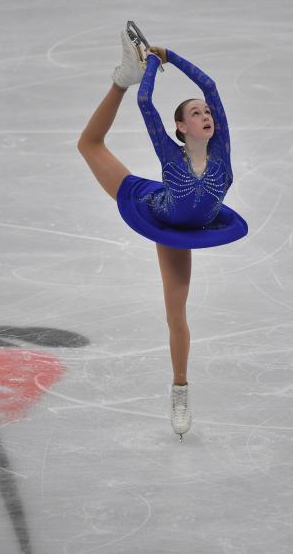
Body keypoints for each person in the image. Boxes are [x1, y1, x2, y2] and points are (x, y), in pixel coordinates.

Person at [77, 26, 248, 440]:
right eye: (195, 114)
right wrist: (148, 66)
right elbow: (145, 102)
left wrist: (171, 55)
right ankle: (121, 76)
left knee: (178, 317)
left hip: (197, 224)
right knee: (89, 144)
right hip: (159, 217)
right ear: (180, 129)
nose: (205, 116)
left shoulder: (221, 149)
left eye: (207, 113)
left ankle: (180, 387)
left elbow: (209, 84)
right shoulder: (169, 155)